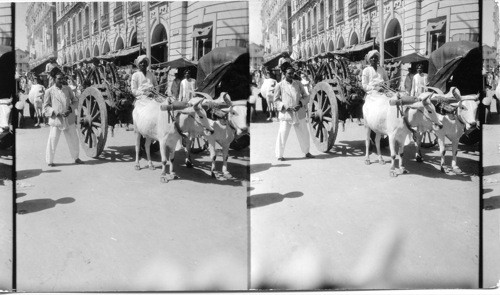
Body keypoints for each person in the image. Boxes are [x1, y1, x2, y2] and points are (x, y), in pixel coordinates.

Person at [274, 62, 314, 161]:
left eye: (292, 73)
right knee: (282, 134)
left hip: (299, 113)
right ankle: (279, 155)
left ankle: (307, 152)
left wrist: (300, 104)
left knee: (304, 133)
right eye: (289, 73)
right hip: (286, 114)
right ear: (284, 73)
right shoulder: (279, 85)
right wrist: (285, 107)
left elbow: (306, 96)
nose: (292, 75)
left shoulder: (298, 83)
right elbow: (276, 100)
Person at [43, 68, 83, 167]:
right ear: (53, 79)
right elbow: (46, 107)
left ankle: (76, 157)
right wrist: (56, 113)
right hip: (56, 120)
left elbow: (75, 101)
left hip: (69, 119)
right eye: (59, 79)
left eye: (62, 78)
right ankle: (50, 161)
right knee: (53, 140)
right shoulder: (49, 91)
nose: (61, 80)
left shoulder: (67, 89)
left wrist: (70, 109)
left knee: (74, 139)